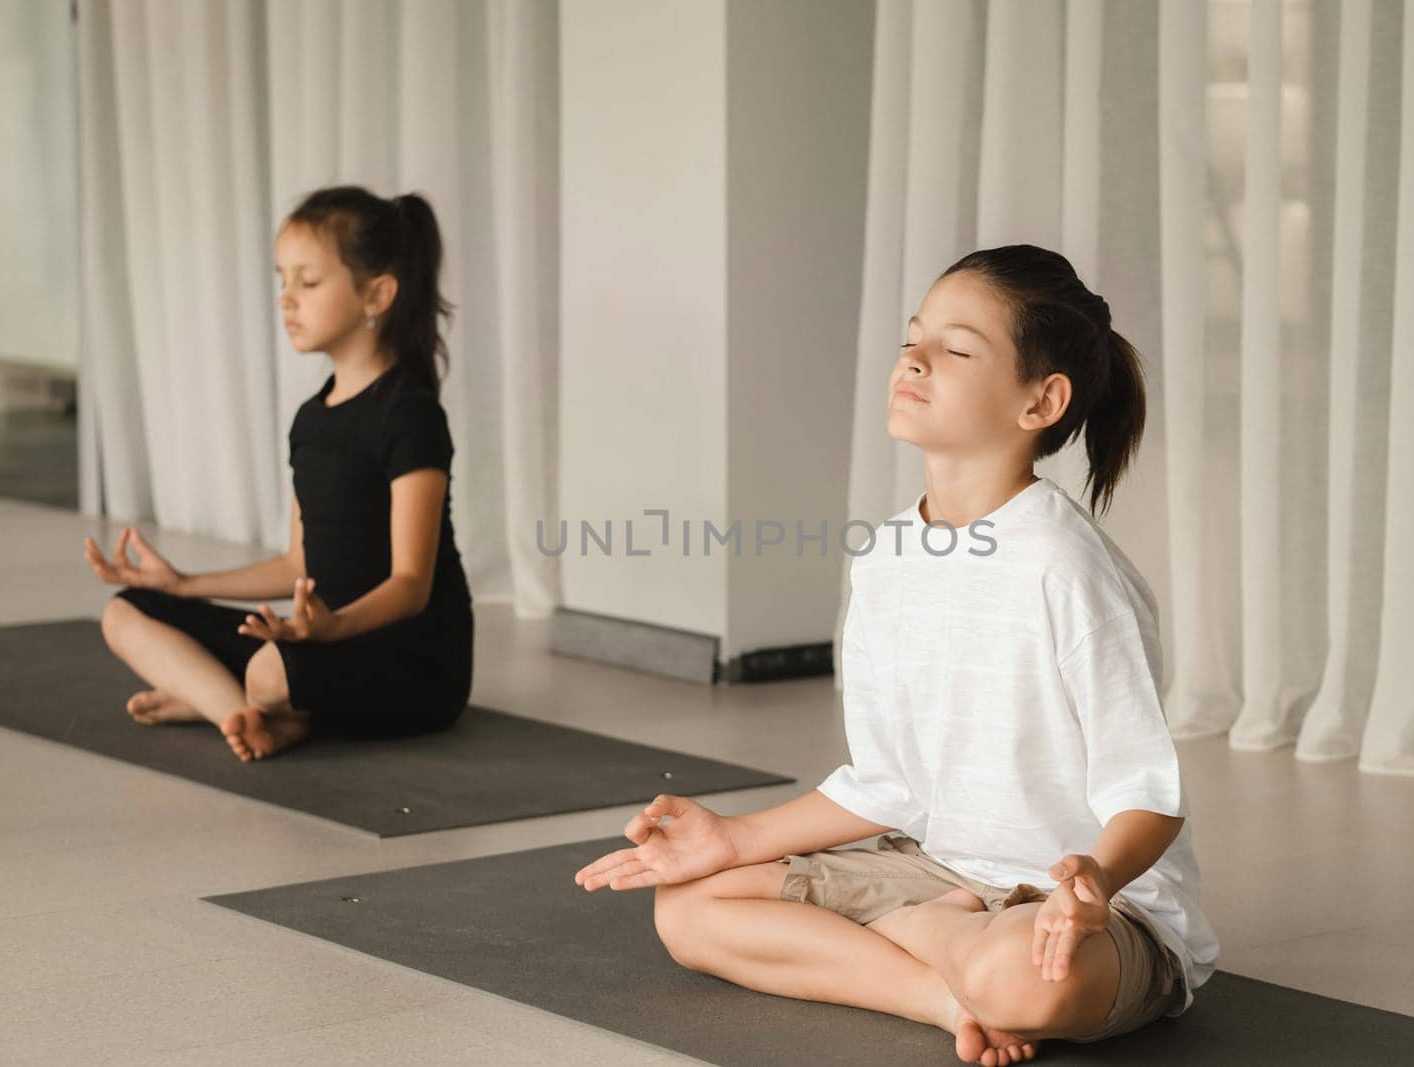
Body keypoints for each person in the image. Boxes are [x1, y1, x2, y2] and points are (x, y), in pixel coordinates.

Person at [574, 245, 1218, 1063]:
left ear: (1041, 401)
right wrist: (730, 839)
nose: (912, 359)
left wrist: (1090, 881)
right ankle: (944, 995)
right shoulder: (884, 558)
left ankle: (932, 944)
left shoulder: (1066, 567)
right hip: (937, 866)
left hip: (1090, 909)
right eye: (912, 339)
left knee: (1027, 980)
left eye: (953, 349)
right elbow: (889, 784)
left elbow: (1150, 796)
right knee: (686, 908)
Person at [85, 186, 474, 763]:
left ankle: (235, 699)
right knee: (125, 613)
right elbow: (298, 564)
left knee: (270, 670)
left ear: (378, 294)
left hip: (409, 661)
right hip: (315, 643)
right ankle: (239, 714)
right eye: (282, 280)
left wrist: (328, 630)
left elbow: (410, 586)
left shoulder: (409, 414)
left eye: (308, 283)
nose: (286, 299)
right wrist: (184, 585)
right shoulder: (311, 420)